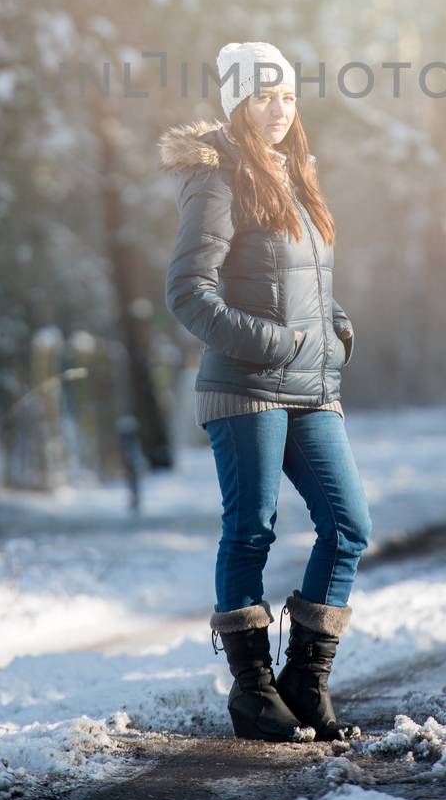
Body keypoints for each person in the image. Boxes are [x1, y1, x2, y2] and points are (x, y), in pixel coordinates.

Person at [157, 40, 372, 742]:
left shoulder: (293, 173)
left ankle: (304, 683)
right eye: (263, 96)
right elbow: (188, 293)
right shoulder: (217, 178)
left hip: (313, 386)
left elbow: (306, 283)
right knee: (251, 528)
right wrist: (279, 343)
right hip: (247, 385)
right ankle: (252, 692)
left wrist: (333, 326)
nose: (278, 109)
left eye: (286, 95)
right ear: (237, 103)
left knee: (348, 526)